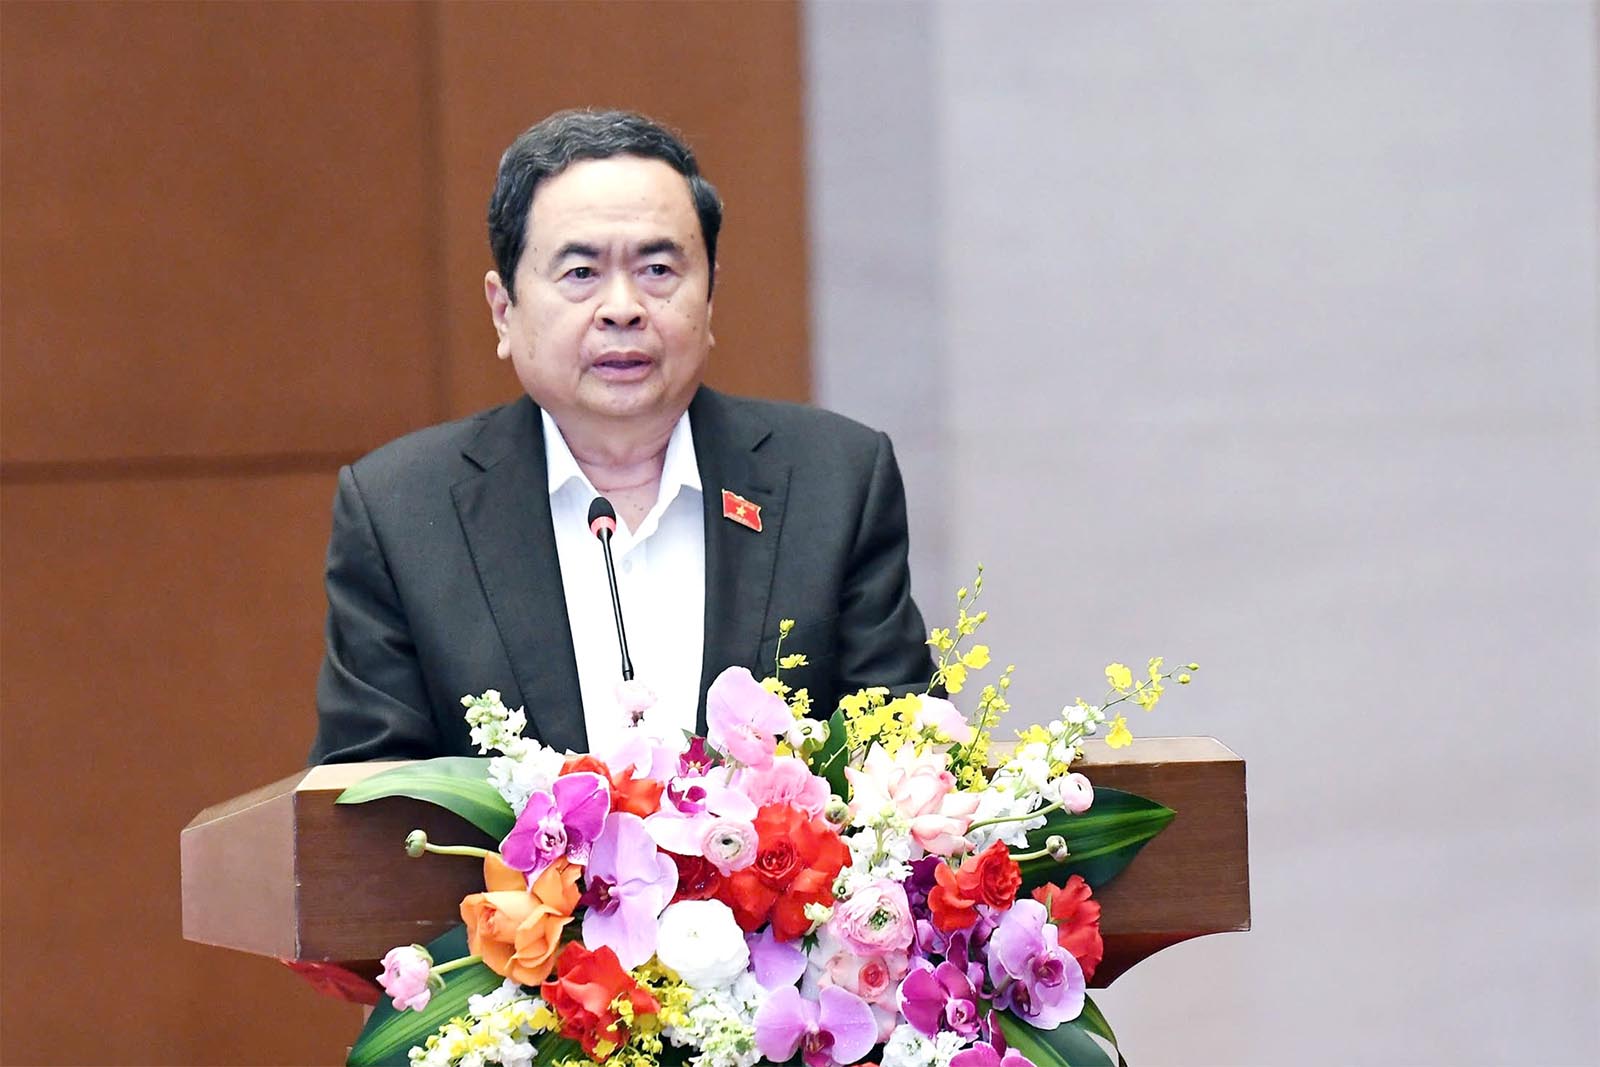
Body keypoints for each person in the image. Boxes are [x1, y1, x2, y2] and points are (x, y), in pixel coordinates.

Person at [309, 109, 932, 764]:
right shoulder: (403, 512)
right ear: (503, 310)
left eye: (658, 269)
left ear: (710, 296)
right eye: (580, 274)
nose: (623, 308)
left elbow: (906, 758)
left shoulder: (833, 482)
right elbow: (365, 793)